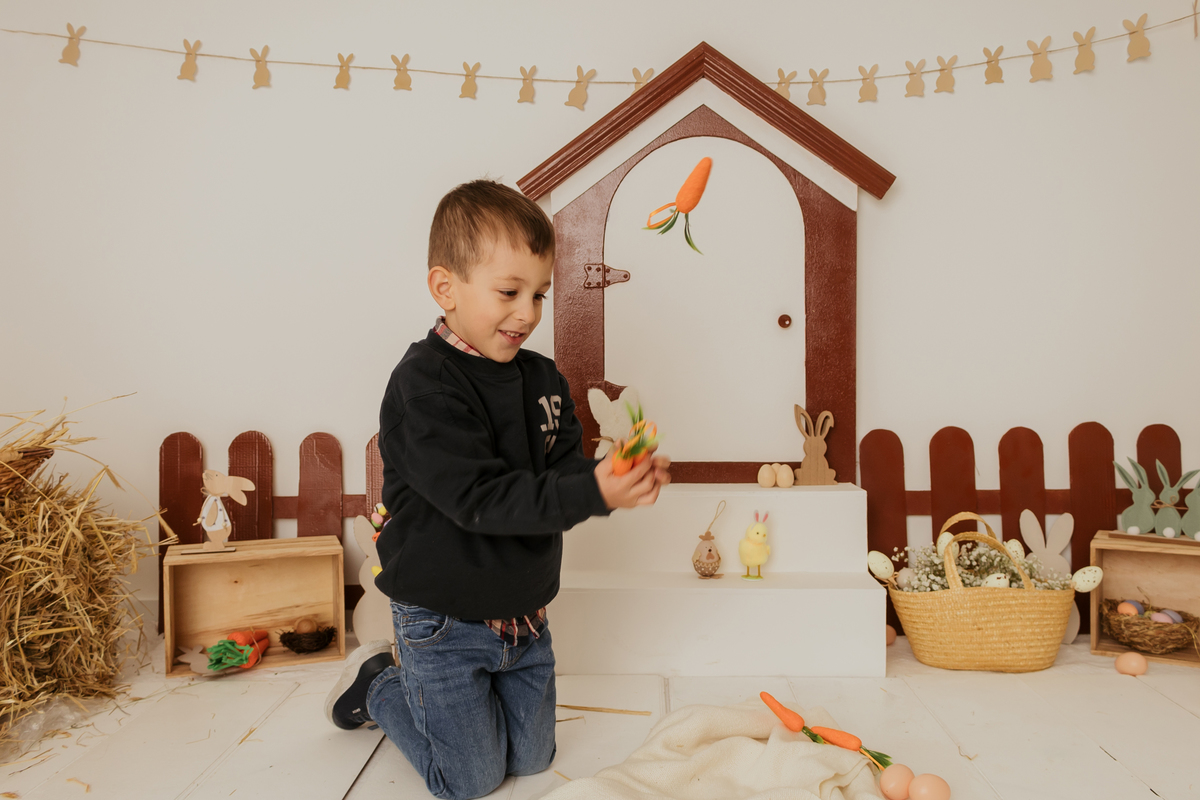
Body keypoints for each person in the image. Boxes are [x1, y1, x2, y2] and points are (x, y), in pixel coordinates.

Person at [325, 179, 670, 799]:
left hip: (526, 613)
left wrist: (610, 477)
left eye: (539, 294)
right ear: (445, 288)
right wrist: (592, 492)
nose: (529, 313)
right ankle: (380, 682)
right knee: (471, 783)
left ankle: (459, 705)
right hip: (442, 616)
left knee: (535, 761)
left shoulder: (542, 378)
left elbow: (561, 476)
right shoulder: (424, 389)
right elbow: (480, 500)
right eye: (509, 292)